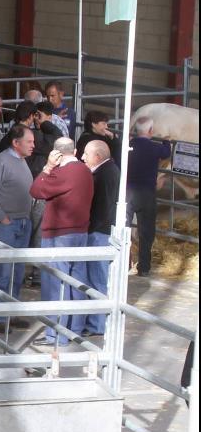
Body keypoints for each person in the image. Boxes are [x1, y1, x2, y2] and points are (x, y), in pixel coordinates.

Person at [29, 138, 94, 346]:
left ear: (55, 153)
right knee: (77, 282)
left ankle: (55, 334)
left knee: (55, 284)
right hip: (80, 232)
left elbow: (36, 190)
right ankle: (75, 328)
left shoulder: (60, 173)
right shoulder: (85, 171)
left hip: (58, 234)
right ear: (75, 151)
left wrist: (48, 167)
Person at [0, 125, 37, 330]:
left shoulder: (21, 161)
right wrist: (2, 218)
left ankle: (10, 312)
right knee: (4, 270)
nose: (33, 145)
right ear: (16, 142)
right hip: (7, 224)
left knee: (17, 270)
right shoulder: (1, 161)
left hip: (21, 222)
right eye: (29, 141)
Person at [125, 116, 172, 277]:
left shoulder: (128, 145)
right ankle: (144, 267)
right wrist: (166, 140)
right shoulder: (155, 148)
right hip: (147, 192)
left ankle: (124, 262)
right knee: (146, 231)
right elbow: (167, 152)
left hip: (128, 191)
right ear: (151, 131)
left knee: (124, 228)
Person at [82, 140, 119, 337]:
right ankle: (95, 322)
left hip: (99, 232)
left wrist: (90, 229)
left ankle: (97, 325)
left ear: (97, 156)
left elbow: (102, 207)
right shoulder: (109, 170)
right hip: (103, 230)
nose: (82, 158)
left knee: (96, 278)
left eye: (86, 154)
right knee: (98, 277)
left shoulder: (103, 174)